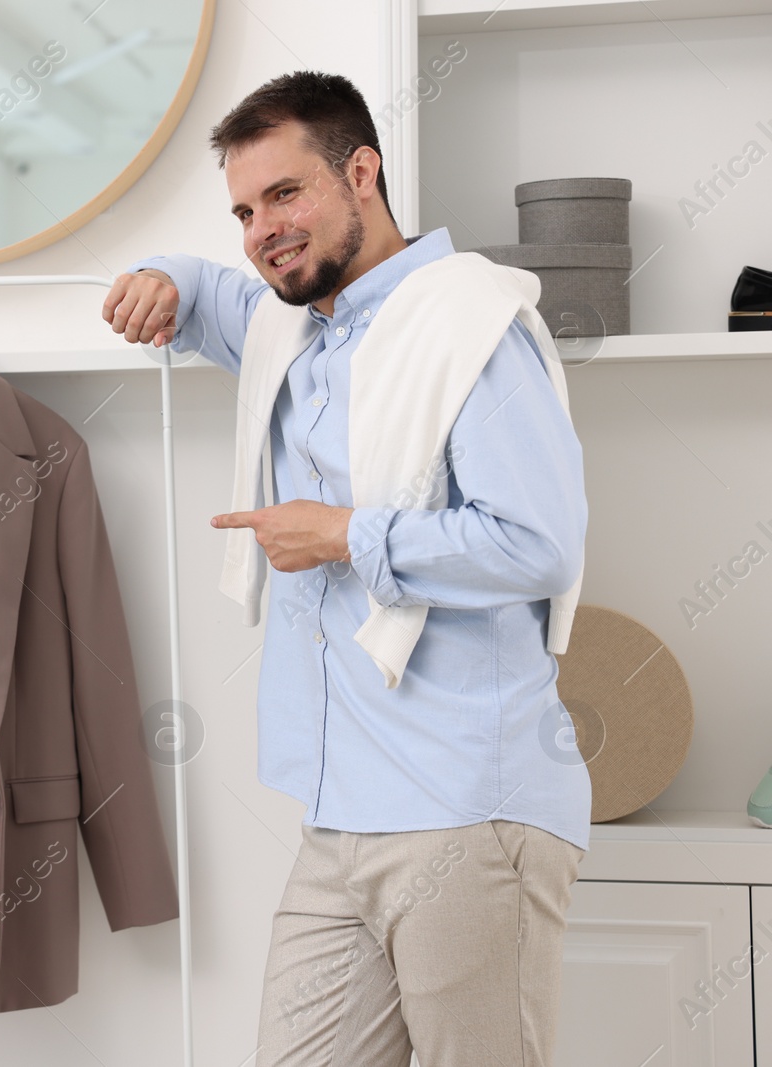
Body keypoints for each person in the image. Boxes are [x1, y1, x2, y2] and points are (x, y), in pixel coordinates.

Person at [103, 70, 591, 1067]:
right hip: (340, 816)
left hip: (467, 809)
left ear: (360, 173)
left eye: (285, 194)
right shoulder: (297, 326)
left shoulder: (467, 328)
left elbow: (537, 542)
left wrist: (343, 535)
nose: (260, 229)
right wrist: (163, 271)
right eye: (243, 209)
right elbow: (207, 297)